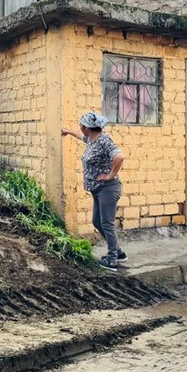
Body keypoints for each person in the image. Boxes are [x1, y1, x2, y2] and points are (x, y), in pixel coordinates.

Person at [61, 112, 127, 271]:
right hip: (98, 189)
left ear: (87, 128)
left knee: (107, 223)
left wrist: (111, 175)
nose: (80, 128)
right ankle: (118, 252)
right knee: (97, 221)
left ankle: (112, 259)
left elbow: (120, 156)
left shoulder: (104, 141)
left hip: (108, 189)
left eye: (81, 126)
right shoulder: (92, 139)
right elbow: (80, 137)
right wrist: (68, 131)